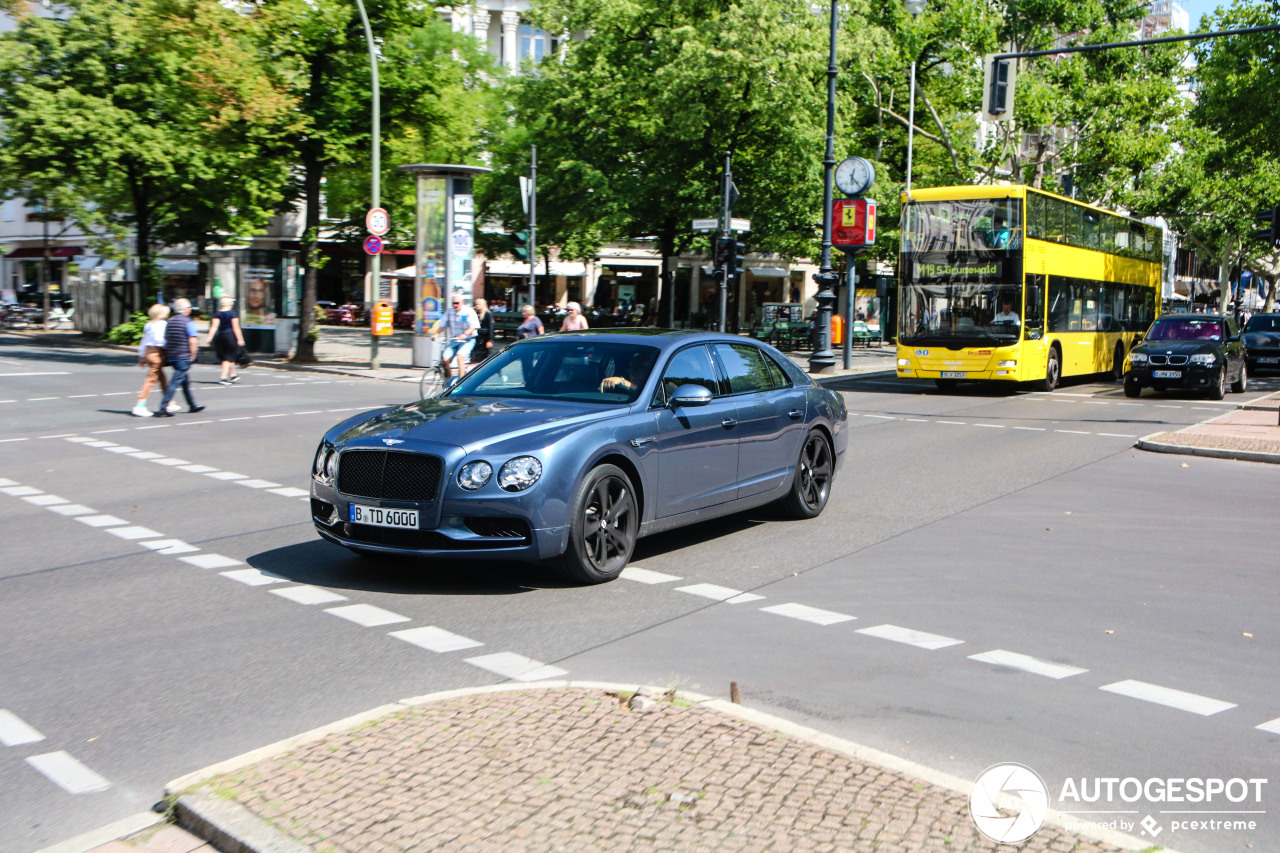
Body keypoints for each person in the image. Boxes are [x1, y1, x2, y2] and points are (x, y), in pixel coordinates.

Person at [154, 298, 205, 416]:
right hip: (184, 356)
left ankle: (192, 405)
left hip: (172, 356)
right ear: (186, 309)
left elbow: (166, 338)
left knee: (185, 381)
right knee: (175, 382)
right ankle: (163, 407)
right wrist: (193, 354)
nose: (190, 309)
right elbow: (193, 340)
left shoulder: (170, 321)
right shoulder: (188, 322)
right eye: (189, 307)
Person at [132, 303, 173, 417]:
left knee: (161, 377)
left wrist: (141, 356)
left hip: (148, 352)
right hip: (157, 352)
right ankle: (140, 404)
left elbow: (143, 341)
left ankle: (168, 402)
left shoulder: (148, 325)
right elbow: (159, 340)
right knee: (151, 379)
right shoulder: (163, 325)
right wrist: (167, 347)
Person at [432, 295, 480, 381]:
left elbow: (474, 326)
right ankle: (448, 380)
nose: (455, 305)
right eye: (453, 303)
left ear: (462, 303)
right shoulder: (449, 312)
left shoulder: (469, 311)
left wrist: (465, 334)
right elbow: (443, 324)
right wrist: (436, 333)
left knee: (460, 356)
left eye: (457, 303)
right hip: (454, 340)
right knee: (445, 359)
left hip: (468, 340)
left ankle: (460, 380)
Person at [206, 296, 246, 385]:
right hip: (230, 336)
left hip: (220, 336)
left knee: (228, 356)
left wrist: (210, 337)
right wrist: (240, 339)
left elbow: (214, 326)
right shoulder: (232, 314)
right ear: (229, 304)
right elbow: (236, 327)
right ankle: (223, 378)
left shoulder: (217, 314)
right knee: (228, 358)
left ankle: (233, 375)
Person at [472, 298, 495, 362]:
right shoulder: (476, 314)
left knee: (484, 356)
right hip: (477, 337)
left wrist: (490, 340)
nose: (478, 306)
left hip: (484, 337)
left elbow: (490, 327)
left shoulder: (488, 314)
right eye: (477, 304)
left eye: (479, 304)